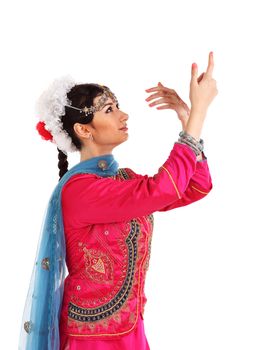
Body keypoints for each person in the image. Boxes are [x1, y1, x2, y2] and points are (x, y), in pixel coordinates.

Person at [18, 51, 218, 350]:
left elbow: (196, 187)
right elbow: (162, 189)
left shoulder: (124, 179)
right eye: (109, 110)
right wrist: (199, 114)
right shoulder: (79, 190)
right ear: (84, 129)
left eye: (118, 106)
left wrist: (187, 119)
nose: (123, 115)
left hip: (131, 331)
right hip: (92, 339)